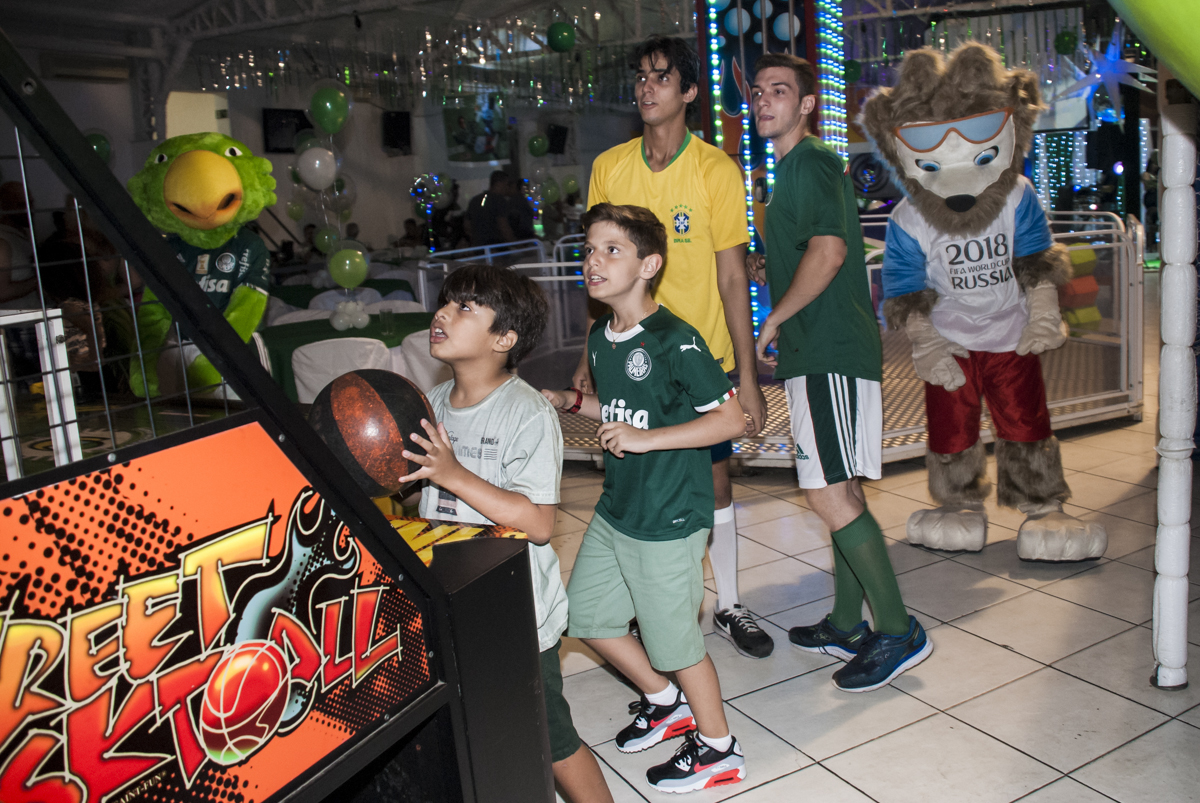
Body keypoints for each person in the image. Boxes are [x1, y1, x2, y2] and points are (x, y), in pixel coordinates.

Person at [573, 35, 772, 659]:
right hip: (629, 353)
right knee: (630, 478)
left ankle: (731, 603)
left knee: (713, 486)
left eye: (661, 77)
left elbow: (733, 276)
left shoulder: (716, 169)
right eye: (640, 77)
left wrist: (746, 373)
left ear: (688, 91)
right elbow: (600, 269)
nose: (646, 88)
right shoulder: (610, 166)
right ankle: (643, 606)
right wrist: (587, 357)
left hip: (699, 354)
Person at [544, 204, 748, 793]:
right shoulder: (601, 338)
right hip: (619, 507)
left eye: (612, 250)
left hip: (669, 514)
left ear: (648, 265)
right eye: (588, 249)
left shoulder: (675, 339)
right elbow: (625, 415)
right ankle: (664, 703)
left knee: (677, 644)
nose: (593, 261)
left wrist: (645, 439)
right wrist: (573, 403)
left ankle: (719, 748)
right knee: (584, 616)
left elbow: (730, 420)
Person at [748, 52, 931, 691]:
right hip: (820, 352)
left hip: (829, 351)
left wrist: (772, 319)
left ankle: (898, 630)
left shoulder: (814, 162)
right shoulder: (791, 171)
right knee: (839, 490)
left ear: (806, 105)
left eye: (780, 91)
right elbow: (806, 251)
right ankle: (849, 623)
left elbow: (828, 253)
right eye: (759, 91)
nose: (764, 100)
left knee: (828, 493)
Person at [396, 264, 613, 803]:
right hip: (450, 597)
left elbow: (538, 524)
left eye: (465, 306)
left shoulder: (527, 413)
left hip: (515, 612)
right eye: (444, 302)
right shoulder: (434, 404)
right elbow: (417, 498)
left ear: (505, 338)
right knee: (474, 726)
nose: (442, 313)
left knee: (551, 734)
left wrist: (454, 474)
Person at [465, 171, 516, 246]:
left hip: (478, 247)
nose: (508, 188)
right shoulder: (500, 201)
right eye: (507, 184)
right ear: (500, 184)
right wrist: (516, 243)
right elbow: (503, 227)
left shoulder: (475, 200)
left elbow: (467, 225)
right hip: (496, 247)